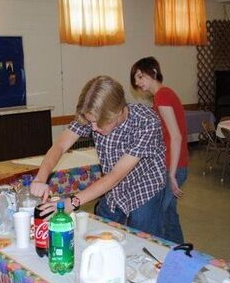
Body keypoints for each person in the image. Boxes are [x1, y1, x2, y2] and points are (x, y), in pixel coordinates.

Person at [30, 75, 166, 236]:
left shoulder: (147, 122)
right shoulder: (95, 115)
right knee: (100, 234)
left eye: (97, 123)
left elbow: (116, 175)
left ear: (117, 112)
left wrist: (72, 202)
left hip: (144, 190)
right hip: (114, 191)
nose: (93, 128)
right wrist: (40, 178)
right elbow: (60, 146)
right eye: (90, 122)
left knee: (142, 239)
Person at [130, 56, 188, 243]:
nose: (138, 83)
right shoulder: (164, 95)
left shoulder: (162, 96)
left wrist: (171, 174)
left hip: (173, 164)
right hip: (174, 163)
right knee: (169, 213)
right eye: (136, 79)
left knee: (159, 216)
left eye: (140, 77)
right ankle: (180, 253)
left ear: (153, 73)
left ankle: (166, 254)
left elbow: (176, 136)